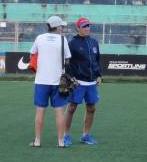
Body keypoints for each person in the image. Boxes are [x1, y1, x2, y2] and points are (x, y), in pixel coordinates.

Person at [29, 15, 71, 148]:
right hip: (58, 81)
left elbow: (32, 54)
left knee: (40, 110)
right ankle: (60, 141)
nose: (62, 28)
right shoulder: (63, 40)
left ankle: (37, 141)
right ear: (57, 27)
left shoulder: (39, 38)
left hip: (41, 80)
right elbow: (68, 60)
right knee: (59, 111)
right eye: (61, 26)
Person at [63, 17, 102, 146]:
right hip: (77, 82)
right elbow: (67, 62)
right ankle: (65, 135)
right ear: (78, 28)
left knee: (91, 108)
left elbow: (97, 61)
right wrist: (71, 78)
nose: (87, 28)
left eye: (88, 26)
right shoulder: (72, 43)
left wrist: (98, 75)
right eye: (84, 26)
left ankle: (86, 135)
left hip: (91, 82)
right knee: (71, 108)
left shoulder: (94, 42)